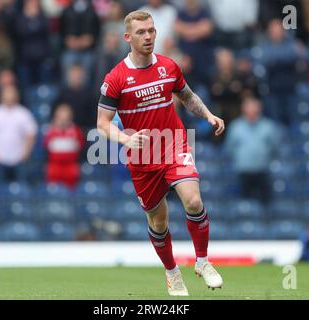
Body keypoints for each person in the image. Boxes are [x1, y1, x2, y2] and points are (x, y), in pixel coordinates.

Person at [96, 10, 225, 296]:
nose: (148, 36)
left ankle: (203, 262)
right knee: (158, 220)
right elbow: (102, 124)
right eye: (141, 32)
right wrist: (125, 140)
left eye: (151, 30)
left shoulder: (169, 66)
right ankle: (172, 272)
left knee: (193, 201)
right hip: (142, 158)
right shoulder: (116, 78)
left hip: (173, 143)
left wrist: (208, 115)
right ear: (127, 37)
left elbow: (187, 96)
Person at [225, 97, 279, 204]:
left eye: (255, 108)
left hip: (263, 171)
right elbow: (229, 148)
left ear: (260, 109)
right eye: (249, 108)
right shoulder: (236, 127)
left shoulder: (268, 126)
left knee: (267, 203)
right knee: (243, 204)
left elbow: (275, 148)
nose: (252, 111)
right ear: (243, 109)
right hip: (243, 172)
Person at [0, 85, 38, 185]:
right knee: (0, 191)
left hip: (19, 159)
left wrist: (26, 153)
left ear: (17, 96)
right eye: (7, 93)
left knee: (21, 189)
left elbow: (31, 134)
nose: (9, 96)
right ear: (1, 96)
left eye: (11, 93)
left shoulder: (24, 113)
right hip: (0, 159)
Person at [44, 103, 85, 188]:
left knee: (71, 190)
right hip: (54, 166)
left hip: (71, 166)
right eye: (60, 115)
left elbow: (81, 146)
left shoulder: (76, 131)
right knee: (53, 190)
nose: (63, 118)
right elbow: (45, 145)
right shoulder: (50, 130)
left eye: (65, 115)